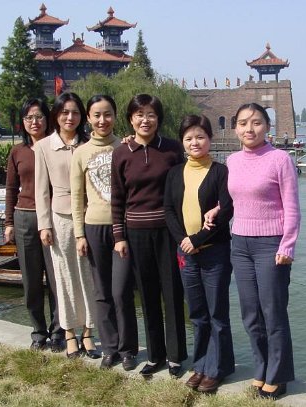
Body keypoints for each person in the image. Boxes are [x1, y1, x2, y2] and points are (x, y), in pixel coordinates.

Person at [224, 103, 300, 400]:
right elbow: (233, 200)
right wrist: (216, 211)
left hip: (271, 244)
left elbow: (292, 206)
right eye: (243, 123)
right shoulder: (232, 160)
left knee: (273, 312)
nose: (249, 128)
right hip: (240, 243)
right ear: (235, 129)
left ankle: (278, 377)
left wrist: (287, 245)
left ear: (267, 126)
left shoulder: (280, 159)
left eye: (256, 122)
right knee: (250, 314)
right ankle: (262, 367)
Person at [111, 94, 187, 378]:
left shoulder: (172, 149)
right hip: (136, 233)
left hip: (168, 232)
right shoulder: (121, 153)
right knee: (148, 294)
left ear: (159, 118)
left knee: (172, 293)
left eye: (151, 114)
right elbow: (117, 198)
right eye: (139, 114)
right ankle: (156, 356)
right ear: (131, 119)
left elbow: (182, 189)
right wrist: (119, 236)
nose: (145, 120)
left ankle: (176, 356)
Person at [164, 114, 235, 393]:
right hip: (187, 254)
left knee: (217, 313)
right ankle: (201, 364)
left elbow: (226, 210)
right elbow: (169, 210)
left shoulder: (220, 172)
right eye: (189, 138)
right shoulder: (174, 173)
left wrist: (197, 239)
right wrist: (183, 240)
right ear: (182, 142)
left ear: (210, 139)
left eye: (200, 137)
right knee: (197, 314)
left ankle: (218, 368)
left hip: (214, 252)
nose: (195, 142)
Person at [70, 95, 138, 371]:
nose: (102, 120)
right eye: (96, 115)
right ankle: (110, 348)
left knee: (121, 290)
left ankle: (128, 349)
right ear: (88, 118)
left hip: (123, 227)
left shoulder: (126, 147)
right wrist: (79, 234)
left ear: (115, 116)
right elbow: (77, 197)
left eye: (107, 114)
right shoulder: (80, 153)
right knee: (102, 291)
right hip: (94, 226)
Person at [35, 91, 100, 359]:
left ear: (82, 116)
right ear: (56, 115)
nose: (69, 117)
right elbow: (41, 190)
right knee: (64, 277)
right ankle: (69, 333)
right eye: (64, 112)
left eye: (75, 112)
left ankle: (89, 333)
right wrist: (44, 225)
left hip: (89, 215)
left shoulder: (90, 143)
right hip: (60, 217)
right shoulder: (43, 147)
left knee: (89, 276)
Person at [4, 98, 64, 352]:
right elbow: (11, 189)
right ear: (23, 122)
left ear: (47, 119)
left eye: (39, 116)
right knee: (31, 280)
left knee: (56, 278)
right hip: (25, 218)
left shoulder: (56, 146)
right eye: (29, 118)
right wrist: (9, 222)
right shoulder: (18, 151)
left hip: (53, 217)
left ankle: (59, 331)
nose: (34, 122)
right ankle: (38, 331)